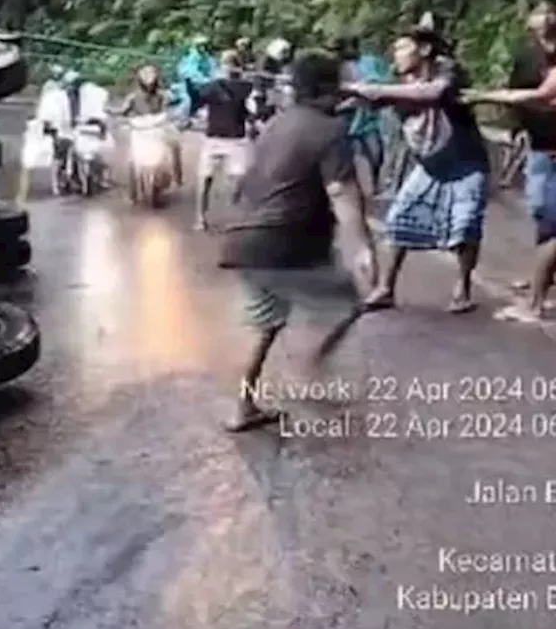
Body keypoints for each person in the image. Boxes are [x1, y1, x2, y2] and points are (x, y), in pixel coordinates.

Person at [219, 50, 378, 431]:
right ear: (328, 88)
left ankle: (242, 407)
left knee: (266, 325)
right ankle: (307, 369)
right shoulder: (330, 130)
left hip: (242, 240)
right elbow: (341, 192)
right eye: (340, 81)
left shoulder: (277, 122)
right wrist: (363, 250)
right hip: (282, 242)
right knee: (352, 300)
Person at [345, 27, 489, 313]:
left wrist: (377, 90)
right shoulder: (398, 81)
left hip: (465, 161)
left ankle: (462, 288)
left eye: (402, 48)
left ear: (424, 50)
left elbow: (432, 92)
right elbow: (366, 99)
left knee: (465, 227)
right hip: (430, 165)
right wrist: (347, 92)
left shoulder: (446, 69)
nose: (396, 55)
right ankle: (385, 288)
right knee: (399, 222)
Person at [462, 0, 556, 322]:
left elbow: (538, 95)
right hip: (542, 146)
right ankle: (541, 281)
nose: (545, 18)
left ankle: (533, 303)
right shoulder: (529, 55)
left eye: (550, 12)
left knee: (553, 223)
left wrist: (484, 96)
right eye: (540, 12)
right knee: (544, 214)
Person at [187, 50, 254, 230]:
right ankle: (200, 218)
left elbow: (251, 107)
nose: (226, 67)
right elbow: (196, 98)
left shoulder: (245, 86)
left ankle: (232, 216)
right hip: (214, 138)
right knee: (204, 179)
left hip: (236, 139)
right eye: (224, 63)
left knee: (238, 181)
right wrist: (189, 84)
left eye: (230, 63)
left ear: (237, 67)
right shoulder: (212, 86)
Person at [331, 35, 387, 194]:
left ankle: (372, 183)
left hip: (365, 119)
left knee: (376, 154)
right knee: (343, 157)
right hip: (342, 121)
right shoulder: (330, 69)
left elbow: (373, 84)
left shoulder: (361, 64)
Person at [118, 63, 183, 187]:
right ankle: (133, 191)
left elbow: (166, 109)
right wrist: (123, 119)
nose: (149, 84)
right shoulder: (133, 97)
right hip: (140, 130)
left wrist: (171, 118)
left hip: (158, 127)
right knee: (131, 158)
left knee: (175, 143)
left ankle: (178, 176)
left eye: (151, 79)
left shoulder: (162, 95)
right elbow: (123, 111)